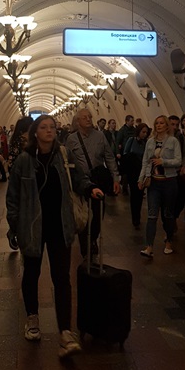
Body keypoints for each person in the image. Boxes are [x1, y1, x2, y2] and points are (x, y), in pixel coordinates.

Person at [6, 116, 104, 359]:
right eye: (44, 127)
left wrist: (89, 187)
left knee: (61, 278)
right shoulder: (24, 161)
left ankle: (65, 331)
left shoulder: (64, 155)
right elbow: (13, 196)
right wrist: (14, 226)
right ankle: (32, 318)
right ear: (34, 133)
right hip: (32, 227)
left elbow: (79, 177)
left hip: (60, 225)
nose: (49, 131)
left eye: (52, 127)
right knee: (32, 273)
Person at [66, 108, 121, 262]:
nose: (88, 119)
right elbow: (68, 162)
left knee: (97, 214)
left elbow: (109, 157)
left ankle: (93, 237)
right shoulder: (71, 139)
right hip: (81, 183)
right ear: (78, 121)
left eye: (90, 117)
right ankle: (86, 244)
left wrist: (116, 178)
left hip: (98, 180)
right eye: (84, 117)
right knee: (84, 213)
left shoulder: (100, 136)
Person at [138, 115, 182, 257]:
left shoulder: (173, 141)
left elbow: (178, 160)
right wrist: (141, 178)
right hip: (154, 183)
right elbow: (145, 161)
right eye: (157, 123)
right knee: (151, 215)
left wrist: (164, 162)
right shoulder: (150, 142)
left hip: (169, 182)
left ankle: (169, 241)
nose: (159, 125)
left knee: (168, 215)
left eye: (162, 123)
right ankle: (149, 246)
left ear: (167, 126)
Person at [121, 123, 150, 230]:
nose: (145, 134)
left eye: (146, 132)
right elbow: (125, 153)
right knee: (134, 194)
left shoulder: (146, 143)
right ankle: (135, 216)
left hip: (142, 170)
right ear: (138, 131)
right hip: (132, 171)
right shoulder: (131, 140)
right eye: (143, 132)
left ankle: (138, 214)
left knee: (140, 193)